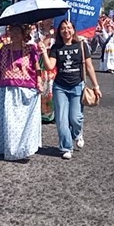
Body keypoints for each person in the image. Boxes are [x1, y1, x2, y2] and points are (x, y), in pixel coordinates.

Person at [38, 20, 102, 160]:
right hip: (60, 87)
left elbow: (90, 67)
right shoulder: (56, 47)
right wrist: (44, 51)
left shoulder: (81, 45)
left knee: (75, 118)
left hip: (77, 85)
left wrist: (96, 86)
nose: (66, 30)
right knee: (61, 120)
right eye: (62, 28)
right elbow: (49, 66)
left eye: (68, 28)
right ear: (59, 32)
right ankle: (66, 147)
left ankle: (77, 134)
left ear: (73, 30)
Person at [0, 24, 44, 161]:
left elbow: (37, 68)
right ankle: (9, 148)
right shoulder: (4, 50)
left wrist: (39, 82)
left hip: (26, 89)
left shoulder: (30, 49)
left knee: (23, 122)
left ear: (24, 34)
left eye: (18, 31)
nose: (15, 34)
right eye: (13, 31)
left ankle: (23, 148)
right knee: (9, 122)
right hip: (7, 90)